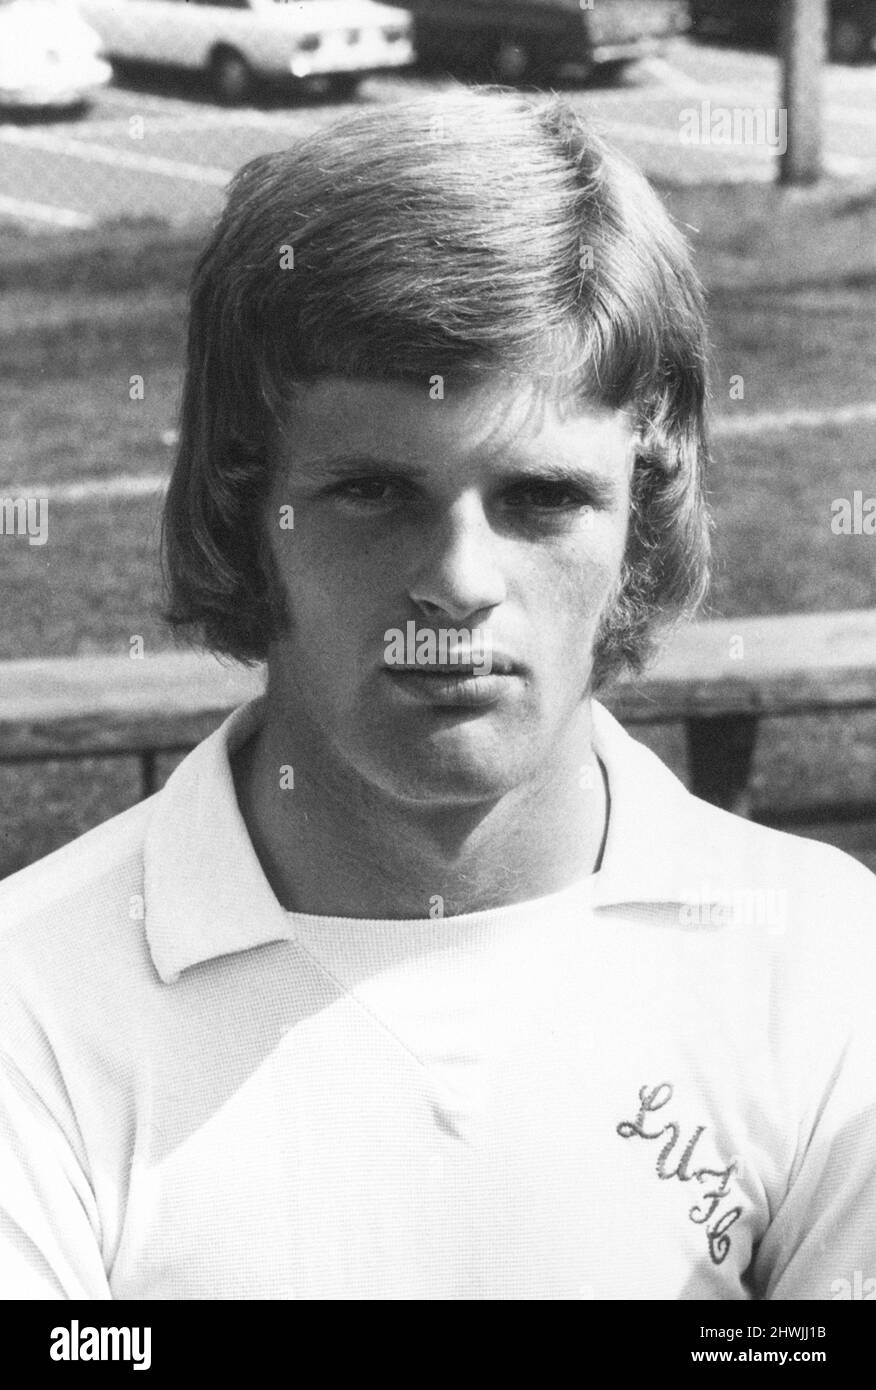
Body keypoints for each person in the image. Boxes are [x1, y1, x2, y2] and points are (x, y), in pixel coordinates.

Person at [1, 88, 874, 1302]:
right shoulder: (28, 998)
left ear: (647, 503)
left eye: (542, 499)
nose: (459, 582)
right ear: (247, 502)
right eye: (372, 491)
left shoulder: (831, 966)